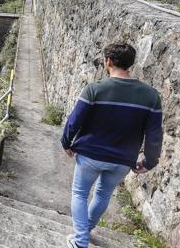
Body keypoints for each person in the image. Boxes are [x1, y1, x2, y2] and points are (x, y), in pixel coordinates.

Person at [61, 43, 163, 248]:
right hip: (122, 160)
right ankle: (85, 232)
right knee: (103, 195)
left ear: (108, 61)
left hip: (90, 154)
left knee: (80, 194)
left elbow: (75, 120)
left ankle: (80, 240)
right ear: (130, 64)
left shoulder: (95, 89)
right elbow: (154, 134)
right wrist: (150, 161)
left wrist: (66, 142)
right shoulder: (151, 96)